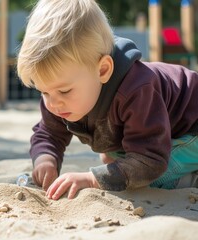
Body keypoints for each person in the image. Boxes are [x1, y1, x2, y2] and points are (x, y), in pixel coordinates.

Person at [17, 0, 198, 200]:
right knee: (110, 157)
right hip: (161, 133)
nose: (53, 103)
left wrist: (92, 179)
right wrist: (45, 160)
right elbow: (48, 134)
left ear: (103, 70)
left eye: (65, 91)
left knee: (147, 177)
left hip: (192, 128)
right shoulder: (58, 91)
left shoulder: (136, 90)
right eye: (44, 92)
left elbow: (150, 159)